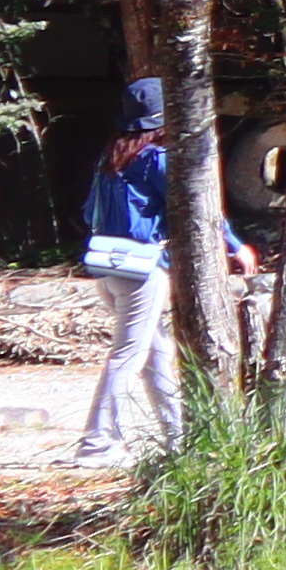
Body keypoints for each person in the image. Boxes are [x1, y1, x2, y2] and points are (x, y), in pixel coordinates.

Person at [71, 80, 182, 464]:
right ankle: (97, 443)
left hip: (105, 268)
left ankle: (179, 439)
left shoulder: (110, 160)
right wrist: (235, 245)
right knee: (128, 356)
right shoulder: (156, 159)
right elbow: (191, 207)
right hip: (144, 271)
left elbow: (89, 214)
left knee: (156, 353)